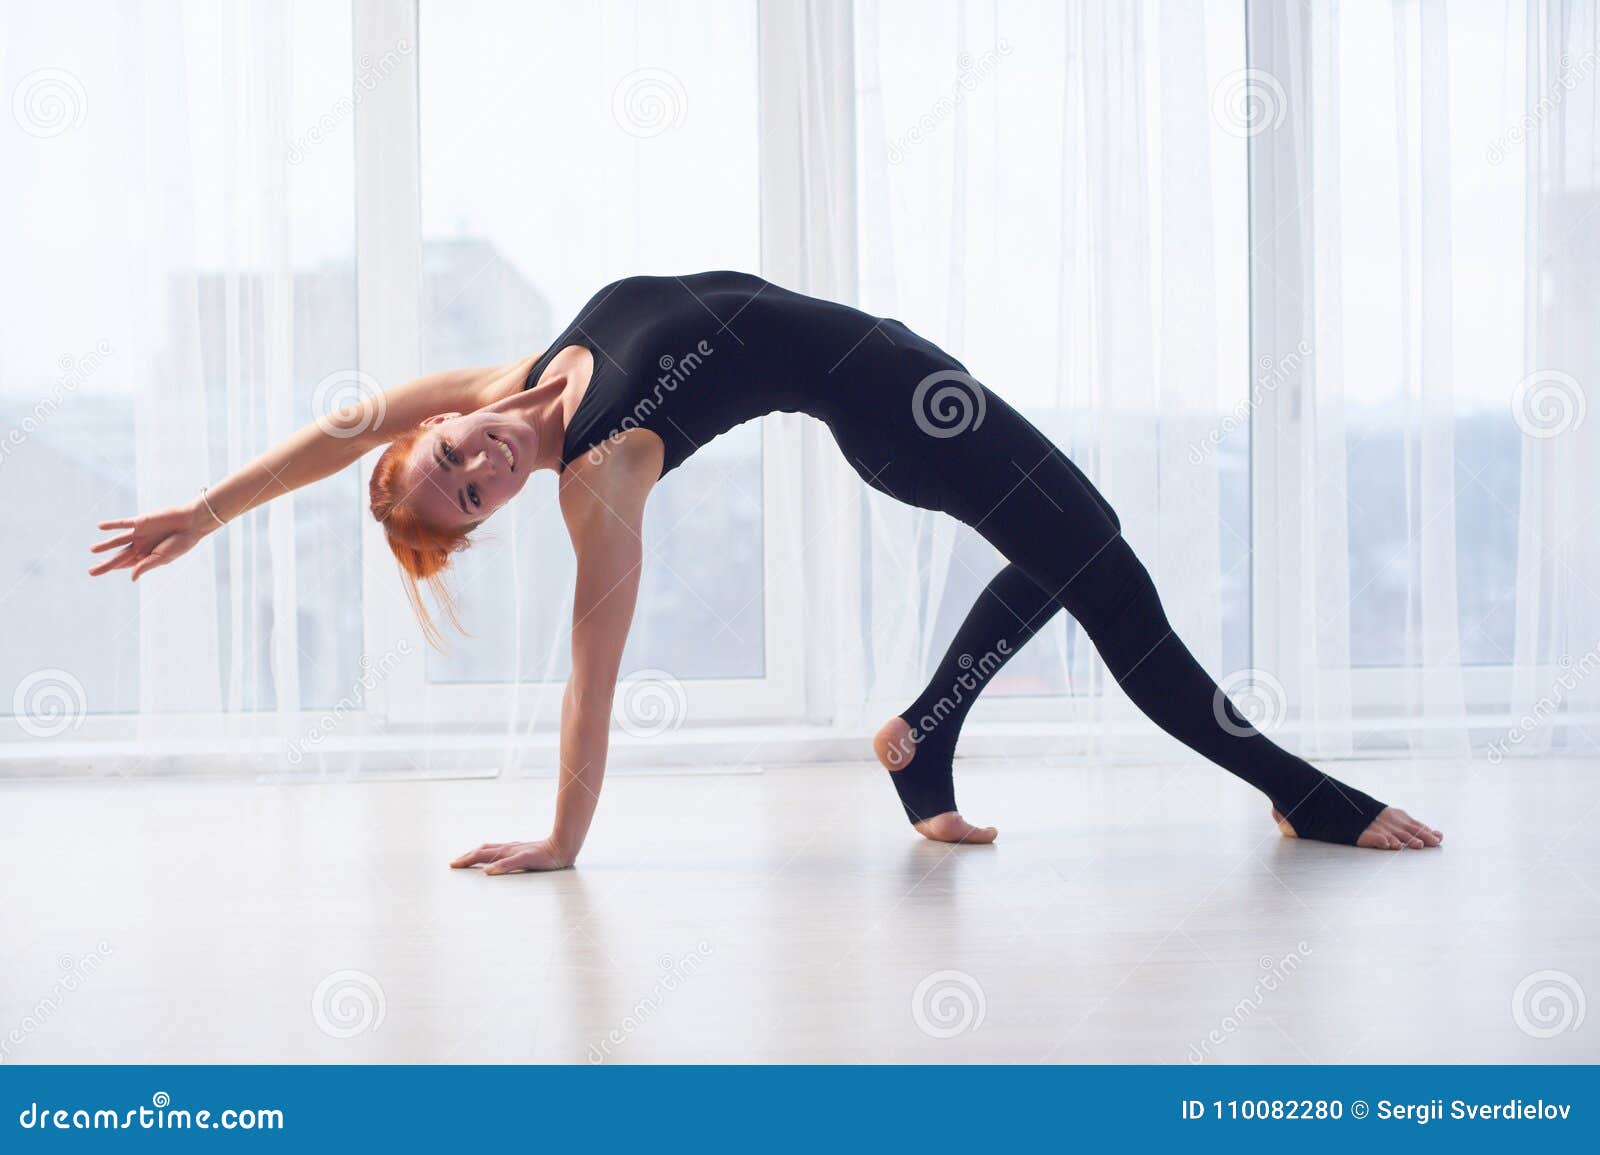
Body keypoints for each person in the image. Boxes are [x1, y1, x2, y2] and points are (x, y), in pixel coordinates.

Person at [89, 271, 1443, 873]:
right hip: (904, 417)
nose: (481, 459)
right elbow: (588, 678)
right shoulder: (600, 480)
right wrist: (564, 839)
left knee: (1074, 555)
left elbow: (347, 426)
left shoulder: (504, 379)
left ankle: (922, 740)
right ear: (499, 506)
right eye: (473, 490)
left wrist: (208, 511)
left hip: (906, 378)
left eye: (455, 451)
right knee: (1108, 573)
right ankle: (1302, 797)